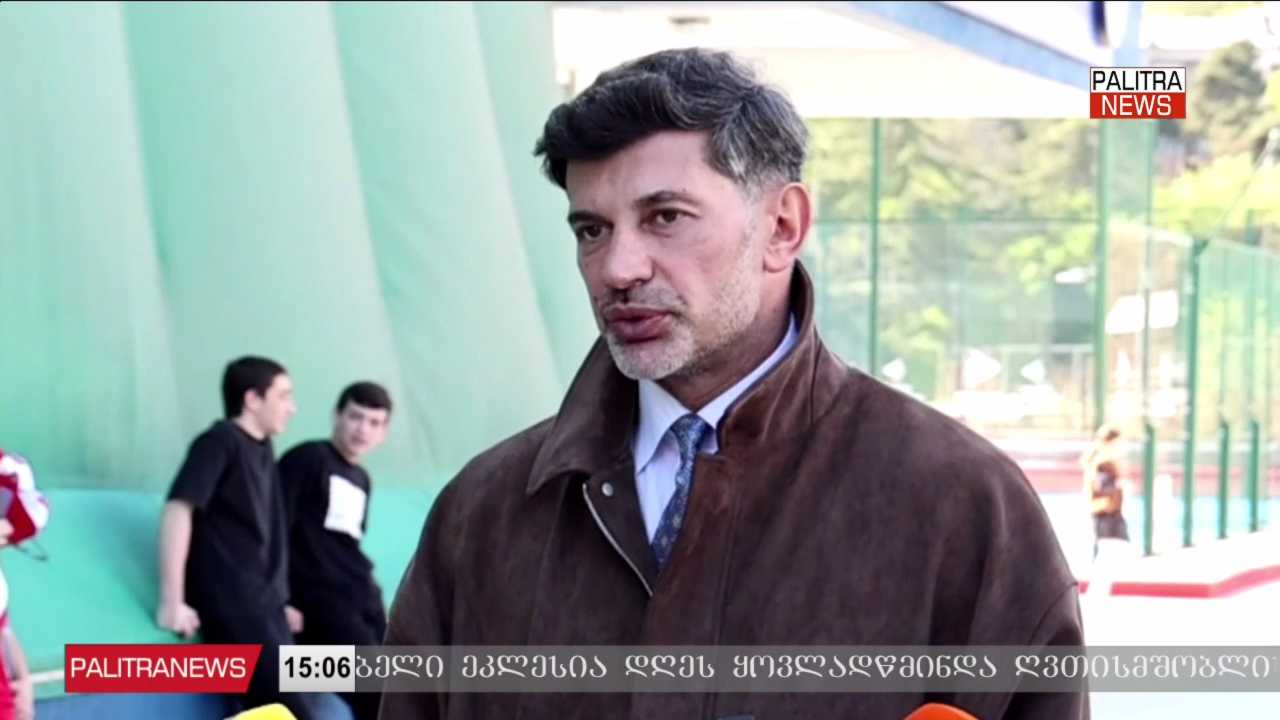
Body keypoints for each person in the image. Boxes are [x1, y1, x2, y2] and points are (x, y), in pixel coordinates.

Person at [381, 48, 1087, 719]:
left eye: (665, 217)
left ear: (782, 226)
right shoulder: (484, 514)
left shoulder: (962, 508)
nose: (618, 268)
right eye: (591, 230)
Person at [155, 356, 332, 719]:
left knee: (288, 707)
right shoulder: (218, 442)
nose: (292, 407)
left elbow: (263, 535)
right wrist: (172, 601)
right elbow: (178, 510)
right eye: (283, 396)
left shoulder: (264, 448)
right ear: (252, 399)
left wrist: (281, 601)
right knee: (292, 712)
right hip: (235, 604)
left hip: (267, 607)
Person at [281, 382, 393, 720]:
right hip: (320, 602)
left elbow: (348, 546)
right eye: (356, 417)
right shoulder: (308, 458)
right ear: (336, 416)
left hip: (363, 598)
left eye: (374, 422)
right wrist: (280, 600)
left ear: (384, 433)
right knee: (374, 690)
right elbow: (272, 531)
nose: (363, 429)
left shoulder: (362, 479)